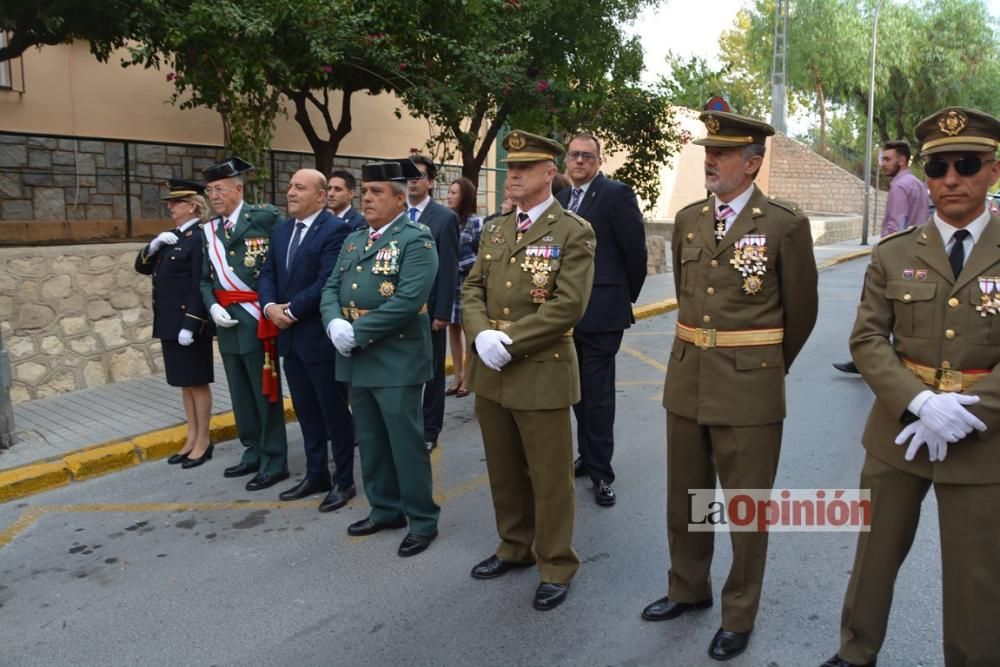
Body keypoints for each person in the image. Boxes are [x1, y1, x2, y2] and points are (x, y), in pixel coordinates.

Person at [820, 107, 1000, 667]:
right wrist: (919, 401)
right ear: (926, 176)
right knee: (874, 554)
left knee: (977, 573)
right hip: (899, 432)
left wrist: (968, 409)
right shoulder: (895, 254)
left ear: (993, 170)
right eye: (939, 166)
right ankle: (855, 653)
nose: (951, 178)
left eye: (966, 164)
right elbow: (868, 340)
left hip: (984, 438)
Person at [641, 111, 818, 661]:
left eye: (722, 153)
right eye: (707, 152)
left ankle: (738, 612)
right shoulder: (690, 220)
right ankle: (687, 589)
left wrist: (762, 367)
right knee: (685, 500)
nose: (709, 160)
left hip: (749, 389)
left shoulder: (784, 224)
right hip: (687, 378)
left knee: (745, 508)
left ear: (753, 162)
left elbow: (802, 313)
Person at [462, 130, 596, 612]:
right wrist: (480, 335)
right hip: (492, 370)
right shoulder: (496, 229)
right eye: (510, 168)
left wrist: (509, 342)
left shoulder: (572, 230)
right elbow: (472, 287)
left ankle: (556, 563)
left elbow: (568, 306)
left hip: (540, 369)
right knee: (503, 469)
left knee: (549, 476)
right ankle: (514, 546)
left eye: (523, 168)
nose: (512, 175)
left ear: (548, 174)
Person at [319, 159, 440, 557]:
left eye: (376, 193)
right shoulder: (356, 239)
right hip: (357, 357)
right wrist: (335, 322)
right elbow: (331, 287)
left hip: (397, 357)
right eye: (366, 192)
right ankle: (385, 508)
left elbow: (409, 300)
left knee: (405, 442)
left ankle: (422, 519)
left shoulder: (416, 240)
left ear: (400, 199)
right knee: (369, 439)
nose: (367, 199)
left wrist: (358, 332)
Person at [556, 132, 647, 507]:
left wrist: (622, 298)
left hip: (603, 313)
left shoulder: (615, 194)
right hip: (563, 316)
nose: (580, 161)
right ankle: (586, 457)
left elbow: (635, 253)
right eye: (574, 155)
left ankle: (601, 473)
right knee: (576, 394)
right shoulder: (559, 199)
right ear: (566, 161)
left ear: (598, 161)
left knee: (598, 397)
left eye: (587, 156)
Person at [258, 169, 357, 511]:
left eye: (300, 188)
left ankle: (344, 481)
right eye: (289, 187)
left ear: (320, 195)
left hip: (317, 337)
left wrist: (292, 311)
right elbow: (268, 272)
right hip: (289, 338)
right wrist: (270, 307)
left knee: (334, 413)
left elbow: (327, 280)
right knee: (306, 411)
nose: (291, 192)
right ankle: (317, 473)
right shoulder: (282, 230)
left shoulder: (336, 230)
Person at [199, 156, 289, 491]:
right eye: (210, 191)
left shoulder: (263, 218)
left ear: (239, 188)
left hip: (256, 320)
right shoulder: (209, 231)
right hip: (227, 323)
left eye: (219, 189)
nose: (214, 196)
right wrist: (211, 307)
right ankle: (252, 450)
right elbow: (204, 279)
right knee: (239, 392)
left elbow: (282, 261)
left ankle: (274, 458)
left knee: (264, 391)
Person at [135, 179, 215, 468]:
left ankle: (204, 440)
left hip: (187, 324)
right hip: (169, 321)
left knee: (197, 382)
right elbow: (142, 267)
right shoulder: (173, 237)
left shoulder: (200, 237)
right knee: (184, 383)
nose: (170, 206)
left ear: (193, 206)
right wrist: (153, 244)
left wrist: (191, 324)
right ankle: (191, 436)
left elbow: (200, 284)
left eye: (176, 202)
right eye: (170, 202)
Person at [833, 140, 930, 375]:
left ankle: (868, 360)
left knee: (875, 311)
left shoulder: (899, 187)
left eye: (888, 159)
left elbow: (895, 227)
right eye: (882, 159)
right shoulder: (918, 184)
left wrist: (881, 259)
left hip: (896, 258)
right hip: (918, 256)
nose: (883, 164)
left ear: (903, 160)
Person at [407, 154, 459, 451]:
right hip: (399, 311)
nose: (412, 181)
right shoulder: (397, 213)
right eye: (408, 177)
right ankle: (408, 423)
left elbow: (449, 268)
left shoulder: (444, 218)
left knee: (433, 371)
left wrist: (443, 312)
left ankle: (430, 429)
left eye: (418, 176)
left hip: (430, 311)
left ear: (430, 181)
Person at [445, 177, 483, 398]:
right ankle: (457, 375)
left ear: (465, 196)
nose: (449, 196)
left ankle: (468, 377)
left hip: (467, 284)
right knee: (452, 327)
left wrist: (456, 265)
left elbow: (481, 256)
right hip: (449, 284)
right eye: (449, 192)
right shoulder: (447, 220)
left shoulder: (476, 223)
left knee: (469, 330)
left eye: (454, 192)